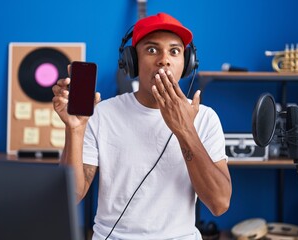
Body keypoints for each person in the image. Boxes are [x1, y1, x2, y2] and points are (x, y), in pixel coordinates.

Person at [52, 12, 232, 240]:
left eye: (174, 51)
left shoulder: (205, 118)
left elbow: (219, 204)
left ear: (187, 63)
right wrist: (75, 130)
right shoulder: (102, 115)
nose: (164, 60)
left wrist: (185, 129)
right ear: (132, 62)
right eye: (152, 50)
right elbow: (70, 197)